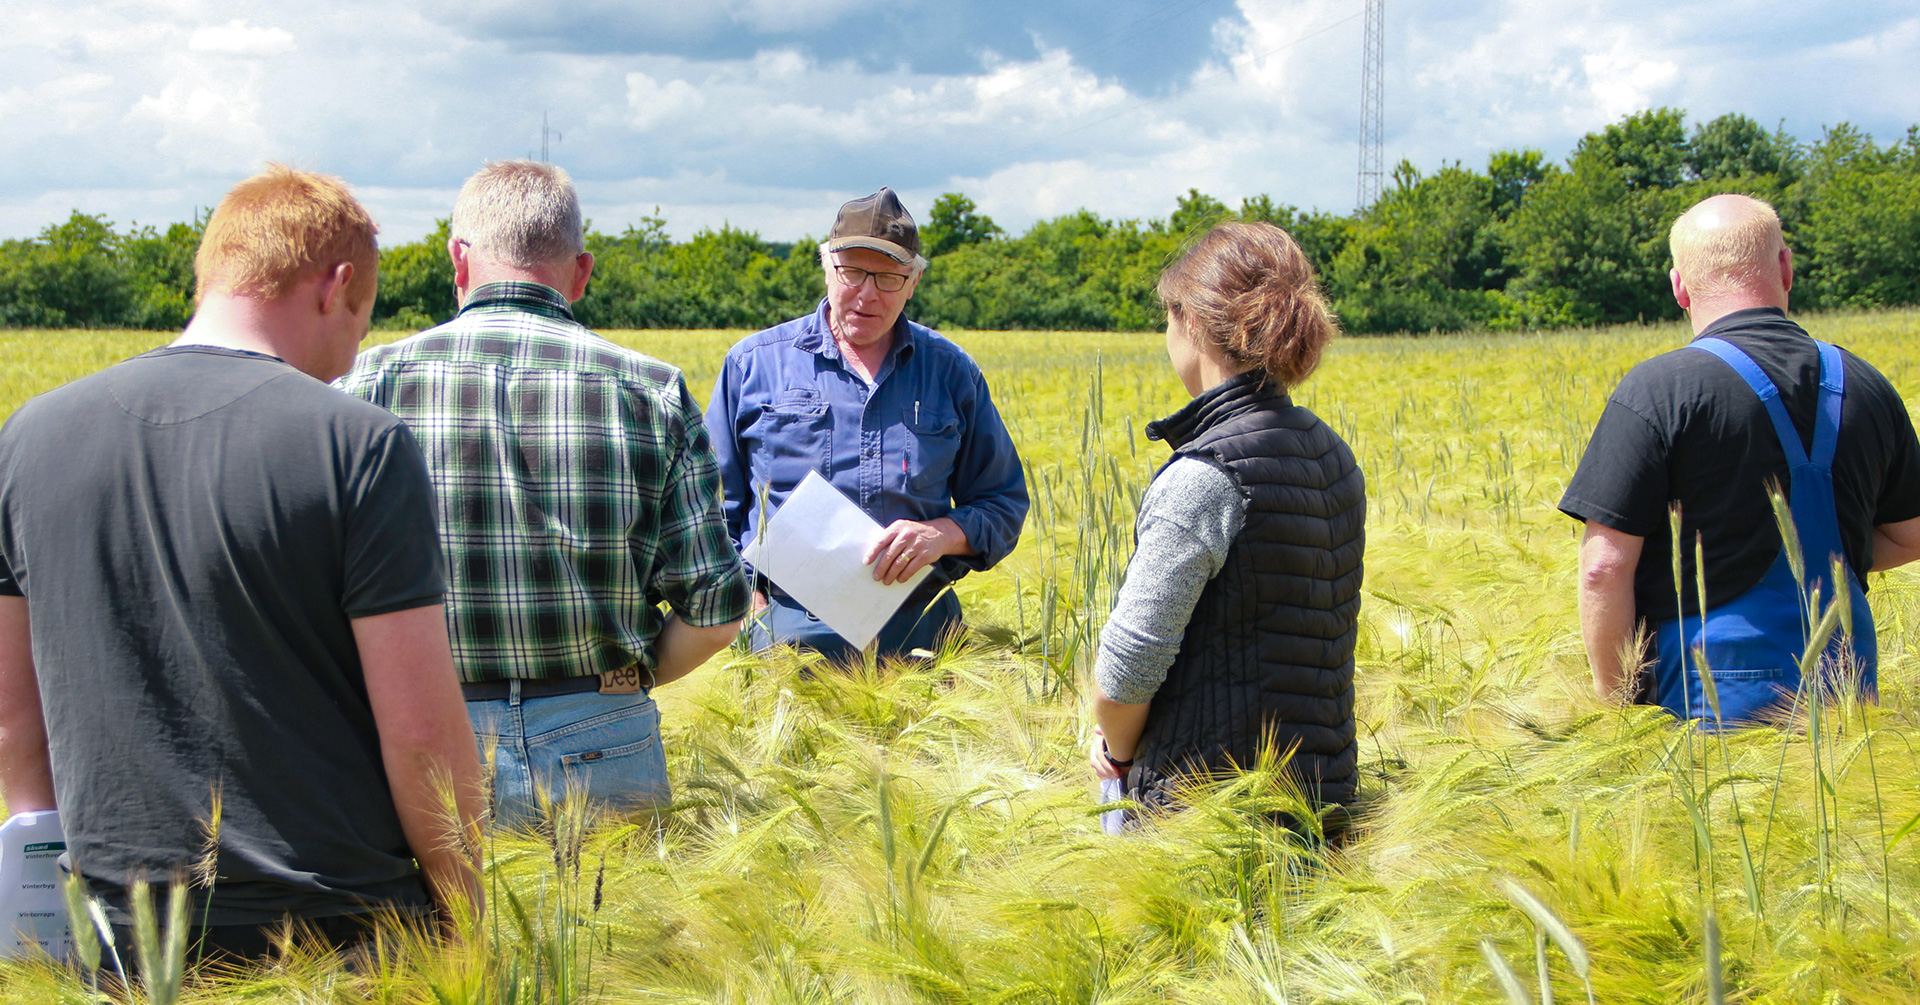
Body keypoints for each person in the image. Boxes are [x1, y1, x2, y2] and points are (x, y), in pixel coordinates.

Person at [0, 166, 484, 963]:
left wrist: (61, 901)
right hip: (335, 931)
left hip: (120, 934)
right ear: (335, 287)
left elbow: (18, 716)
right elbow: (423, 735)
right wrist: (471, 916)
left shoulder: (29, 436)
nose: (346, 362)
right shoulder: (358, 443)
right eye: (360, 325)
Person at [339, 160, 748, 826]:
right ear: (581, 271)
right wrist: (619, 684)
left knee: (437, 933)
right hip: (603, 733)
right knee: (618, 931)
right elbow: (719, 609)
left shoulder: (362, 386)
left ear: (458, 260)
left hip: (416, 732)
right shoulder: (654, 391)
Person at [1561, 193, 1920, 726]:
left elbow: (1604, 569)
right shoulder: (1866, 385)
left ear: (1679, 287)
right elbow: (1911, 535)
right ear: (1786, 268)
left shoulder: (1659, 391)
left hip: (1707, 694)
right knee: (1840, 809)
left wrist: (1616, 711)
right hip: (1846, 686)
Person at [1088, 222, 1365, 834]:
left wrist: (1120, 757)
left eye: (1168, 319)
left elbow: (1125, 672)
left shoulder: (1205, 476)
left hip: (1206, 814)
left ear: (1192, 322)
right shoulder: (1334, 456)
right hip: (1324, 800)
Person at [704, 188, 1028, 662]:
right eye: (852, 272)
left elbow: (1003, 503)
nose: (867, 293)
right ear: (826, 268)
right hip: (783, 640)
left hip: (922, 639)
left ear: (913, 281)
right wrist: (740, 599)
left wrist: (941, 533)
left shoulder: (951, 372)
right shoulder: (753, 365)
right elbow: (706, 508)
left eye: (889, 278)